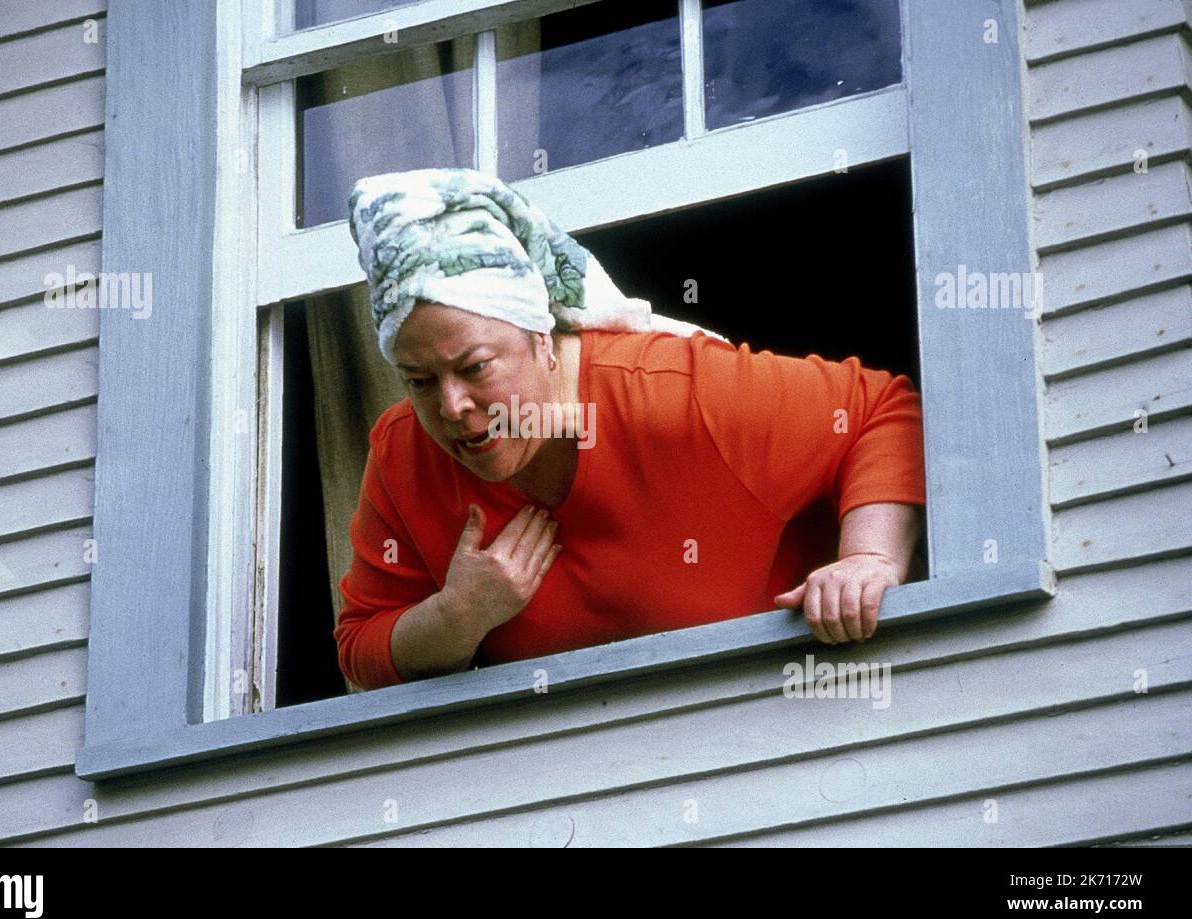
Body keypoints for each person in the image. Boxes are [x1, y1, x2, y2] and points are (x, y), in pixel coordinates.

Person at [336, 167, 925, 691]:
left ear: (542, 338)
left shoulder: (677, 395)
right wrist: (457, 617)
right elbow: (360, 647)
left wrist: (867, 559)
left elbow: (881, 412)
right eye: (418, 381)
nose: (452, 406)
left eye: (474, 368)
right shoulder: (402, 458)